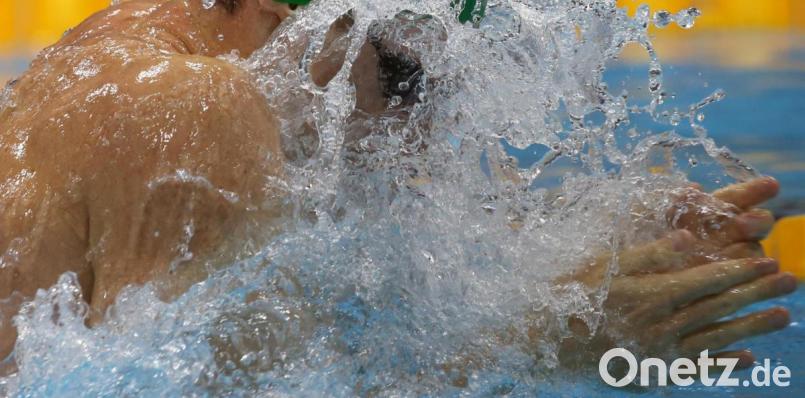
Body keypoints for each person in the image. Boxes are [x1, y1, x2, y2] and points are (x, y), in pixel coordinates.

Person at [0, 0, 796, 372]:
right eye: (411, 79)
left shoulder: (175, 50)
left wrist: (602, 250)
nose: (423, 135)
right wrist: (553, 344)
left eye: (459, 90)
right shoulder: (192, 108)